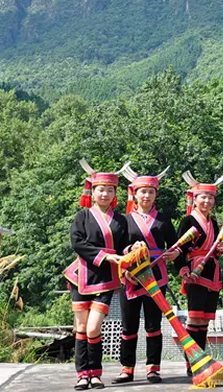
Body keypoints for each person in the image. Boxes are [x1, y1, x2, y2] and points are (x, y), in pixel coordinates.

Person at [64, 159, 129, 391]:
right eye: (101, 189)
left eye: (109, 190)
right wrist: (106, 256)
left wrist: (130, 252)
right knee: (81, 329)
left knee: (93, 328)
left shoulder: (121, 220)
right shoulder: (82, 216)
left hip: (106, 279)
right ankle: (83, 374)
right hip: (81, 276)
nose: (105, 193)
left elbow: (124, 247)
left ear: (115, 194)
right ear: (93, 191)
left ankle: (96, 372)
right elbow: (77, 243)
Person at [113, 164, 178, 384]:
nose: (147, 195)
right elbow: (117, 248)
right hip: (131, 277)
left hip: (156, 276)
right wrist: (130, 252)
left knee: (154, 324)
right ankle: (127, 368)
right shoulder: (124, 220)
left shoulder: (163, 219)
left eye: (151, 192)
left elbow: (175, 245)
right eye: (143, 191)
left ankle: (153, 368)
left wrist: (174, 253)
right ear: (135, 193)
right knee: (128, 324)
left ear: (155, 195)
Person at [176, 171, 223, 376]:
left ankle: (201, 357)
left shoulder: (214, 223)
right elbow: (178, 249)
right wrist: (183, 270)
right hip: (194, 272)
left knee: (205, 320)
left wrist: (218, 250)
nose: (207, 201)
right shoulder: (187, 221)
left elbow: (213, 248)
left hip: (212, 271)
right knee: (194, 318)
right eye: (203, 197)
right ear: (194, 199)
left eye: (210, 197)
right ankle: (192, 361)